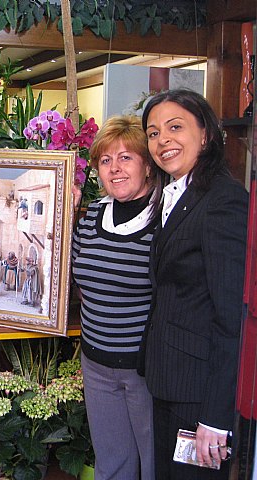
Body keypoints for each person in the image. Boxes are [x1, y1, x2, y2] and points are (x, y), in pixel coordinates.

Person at [140, 89, 248, 479]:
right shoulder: (175, 194)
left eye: (175, 127)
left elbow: (231, 316)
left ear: (205, 134)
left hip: (199, 394)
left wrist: (216, 417)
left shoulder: (223, 200)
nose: (162, 140)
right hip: (169, 380)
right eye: (153, 133)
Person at [72, 115, 163, 480]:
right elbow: (72, 272)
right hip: (95, 362)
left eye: (126, 157)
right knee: (112, 464)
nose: (115, 168)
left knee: (154, 464)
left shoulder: (165, 217)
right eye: (106, 160)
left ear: (147, 164)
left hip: (144, 369)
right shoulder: (93, 213)